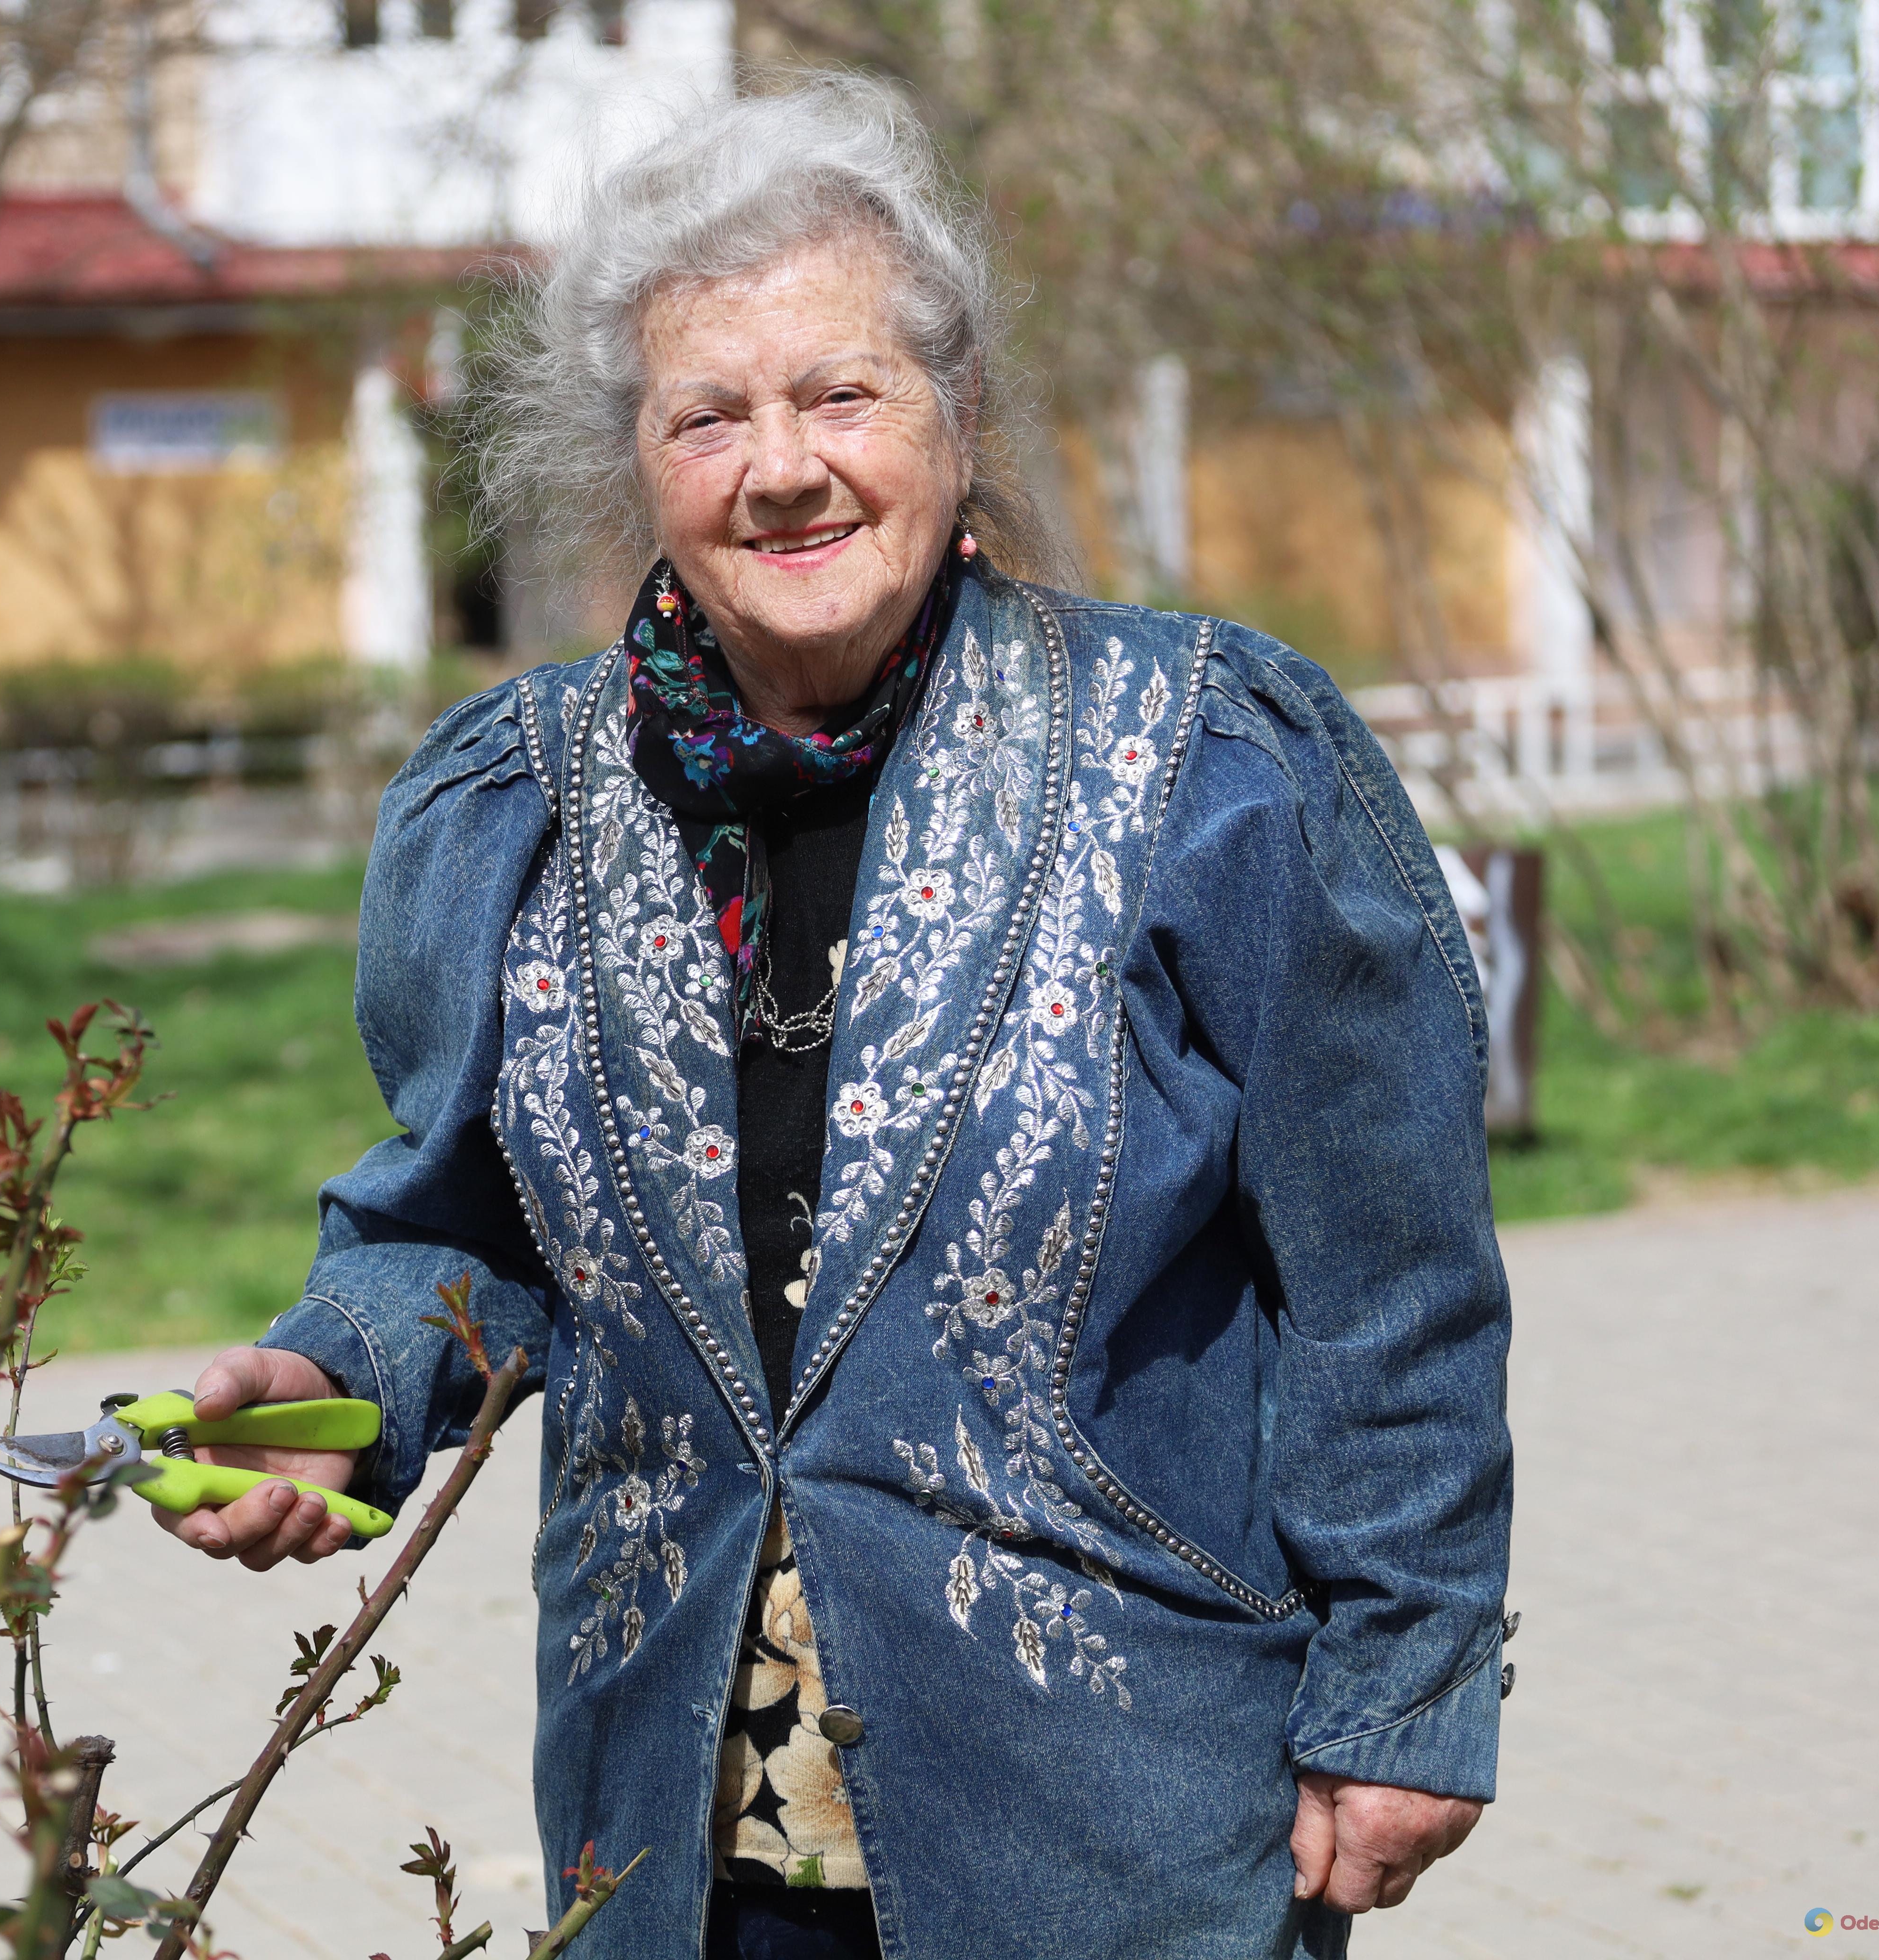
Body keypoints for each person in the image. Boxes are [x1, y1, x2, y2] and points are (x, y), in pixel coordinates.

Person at [150, 75, 1513, 1960]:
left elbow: (1389, 1266)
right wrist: (335, 1388)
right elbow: (459, 1219)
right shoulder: (515, 805)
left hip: (1121, 1818)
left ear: (956, 417)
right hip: (678, 1830)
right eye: (709, 411)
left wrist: (1404, 1688)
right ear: (639, 456)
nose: (781, 464)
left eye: (840, 394)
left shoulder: (1207, 764)